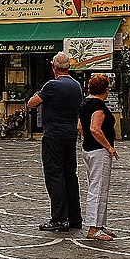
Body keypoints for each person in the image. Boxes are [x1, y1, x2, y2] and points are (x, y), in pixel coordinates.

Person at [28, 52, 84, 231]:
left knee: (54, 175)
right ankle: (75, 217)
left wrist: (38, 94)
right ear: (69, 67)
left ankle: (59, 218)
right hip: (70, 135)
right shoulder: (77, 86)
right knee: (70, 175)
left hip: (54, 135)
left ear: (54, 67)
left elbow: (32, 103)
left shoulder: (52, 85)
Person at [78, 73, 118, 241]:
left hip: (88, 149)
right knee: (98, 189)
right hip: (99, 151)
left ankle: (99, 224)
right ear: (106, 90)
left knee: (97, 187)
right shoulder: (98, 106)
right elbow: (95, 129)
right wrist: (109, 147)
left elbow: (80, 126)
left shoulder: (85, 102)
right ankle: (94, 228)